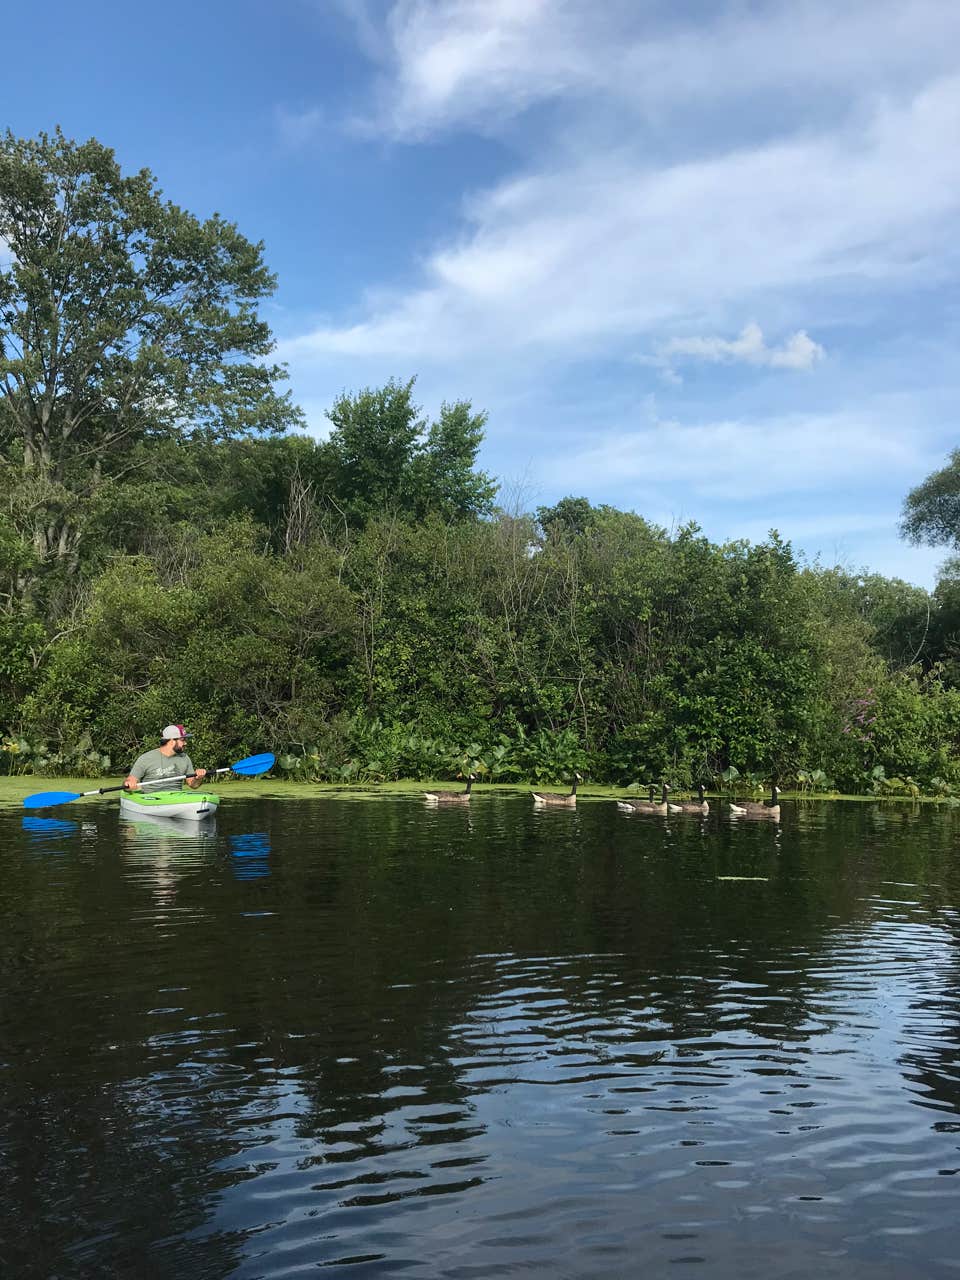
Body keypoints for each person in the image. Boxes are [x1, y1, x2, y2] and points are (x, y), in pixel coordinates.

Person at [125, 724, 208, 792]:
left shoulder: (185, 758)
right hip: (150, 800)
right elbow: (129, 780)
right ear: (172, 741)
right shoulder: (145, 758)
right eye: (182, 740)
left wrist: (198, 778)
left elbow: (193, 785)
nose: (185, 743)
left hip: (175, 799)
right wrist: (129, 783)